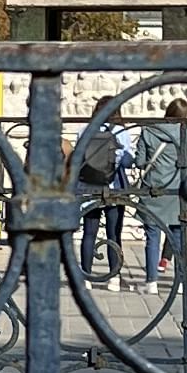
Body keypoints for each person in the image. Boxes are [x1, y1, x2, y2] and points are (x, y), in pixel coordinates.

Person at [133, 101, 187, 289]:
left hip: (154, 188)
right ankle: (181, 280)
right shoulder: (183, 131)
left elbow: (140, 161)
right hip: (177, 188)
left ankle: (151, 281)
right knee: (179, 235)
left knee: (152, 235)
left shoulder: (149, 130)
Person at [75, 112, 125, 287]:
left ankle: (86, 276)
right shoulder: (120, 131)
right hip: (113, 187)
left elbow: (78, 158)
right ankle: (114, 278)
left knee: (89, 233)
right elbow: (127, 161)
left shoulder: (84, 130)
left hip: (89, 187)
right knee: (113, 234)